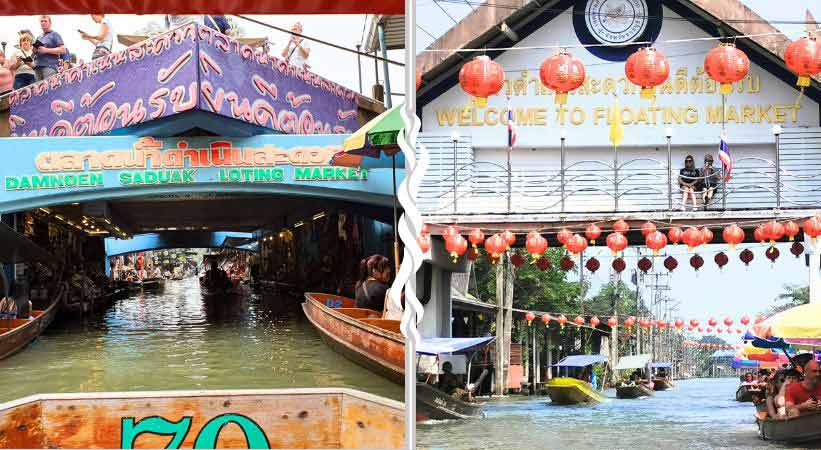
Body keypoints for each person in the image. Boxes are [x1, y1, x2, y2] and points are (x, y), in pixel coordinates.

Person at [33, 15, 65, 81]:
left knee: (49, 88)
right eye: (41, 21)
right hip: (38, 67)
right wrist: (34, 50)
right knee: (39, 90)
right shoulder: (39, 37)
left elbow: (63, 49)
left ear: (50, 23)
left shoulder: (55, 34)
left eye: (45, 21)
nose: (43, 23)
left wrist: (46, 50)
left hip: (50, 67)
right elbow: (34, 52)